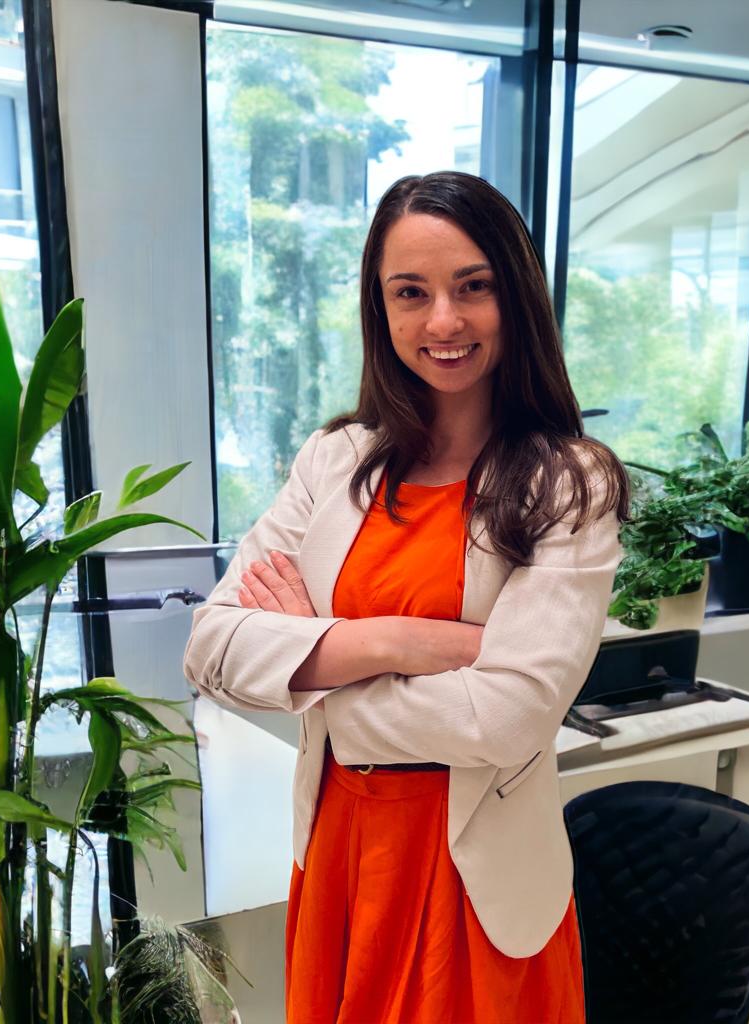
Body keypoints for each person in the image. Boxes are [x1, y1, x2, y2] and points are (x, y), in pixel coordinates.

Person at [183, 170, 629, 1023]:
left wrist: (314, 664)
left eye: (474, 287)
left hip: (476, 876)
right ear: (380, 310)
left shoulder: (569, 484)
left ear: (517, 296)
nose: (444, 321)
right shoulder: (334, 461)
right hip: (342, 859)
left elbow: (507, 717)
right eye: (410, 293)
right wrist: (396, 642)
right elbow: (211, 647)